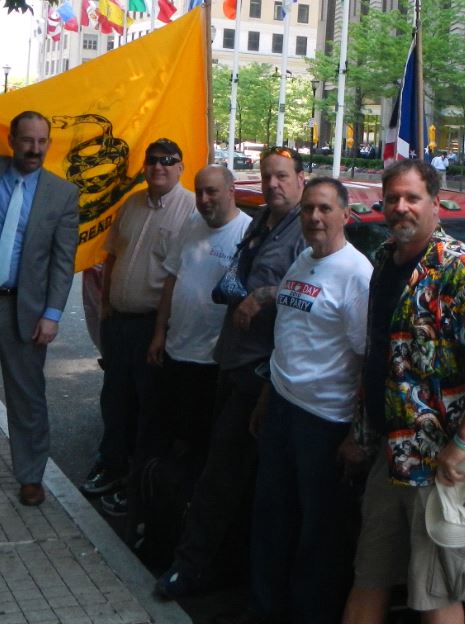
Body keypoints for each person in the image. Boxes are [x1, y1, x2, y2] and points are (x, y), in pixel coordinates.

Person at [342, 159, 465, 624]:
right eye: (392, 198)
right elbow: (380, 358)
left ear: (435, 204)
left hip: (443, 466)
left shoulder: (464, 268)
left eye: (412, 198)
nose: (401, 207)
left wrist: (462, 443)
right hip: (392, 454)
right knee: (367, 575)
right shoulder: (383, 263)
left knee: (436, 594)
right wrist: (361, 432)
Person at [155, 146, 306, 600]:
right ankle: (221, 567)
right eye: (266, 177)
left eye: (282, 176)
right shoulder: (263, 221)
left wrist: (262, 295)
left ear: (301, 178)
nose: (273, 185)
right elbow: (236, 276)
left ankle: (195, 567)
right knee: (224, 475)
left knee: (224, 476)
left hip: (266, 374)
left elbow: (312, 289)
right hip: (232, 361)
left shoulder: (306, 229)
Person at [237, 177, 372, 623]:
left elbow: (366, 360)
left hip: (324, 421)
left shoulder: (357, 275)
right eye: (309, 208)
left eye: (325, 209)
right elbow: (287, 338)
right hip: (281, 407)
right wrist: (265, 397)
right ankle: (263, 611)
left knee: (318, 536)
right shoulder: (302, 261)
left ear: (344, 216)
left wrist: (357, 433)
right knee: (271, 520)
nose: (315, 217)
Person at [82, 138, 195, 507]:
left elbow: (180, 277)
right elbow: (113, 255)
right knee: (115, 398)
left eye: (167, 161)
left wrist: (161, 331)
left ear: (180, 167)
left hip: (153, 327)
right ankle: (111, 464)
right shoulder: (131, 203)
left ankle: (138, 481)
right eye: (152, 161)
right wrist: (105, 306)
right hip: (119, 321)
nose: (158, 166)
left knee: (150, 408)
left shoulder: (191, 210)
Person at [145, 165, 252, 476]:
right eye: (200, 192)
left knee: (199, 443)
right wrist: (158, 333)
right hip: (175, 349)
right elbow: (171, 280)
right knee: (169, 433)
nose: (204, 199)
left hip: (211, 362)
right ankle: (163, 499)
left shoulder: (246, 234)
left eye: (212, 192)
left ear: (231, 192)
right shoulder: (192, 223)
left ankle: (187, 507)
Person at [0, 111, 79, 507]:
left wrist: (52, 314)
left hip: (24, 311)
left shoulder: (61, 194)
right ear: (12, 139)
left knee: (27, 398)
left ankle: (31, 476)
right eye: (28, 140)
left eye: (42, 141)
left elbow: (63, 262)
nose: (34, 149)